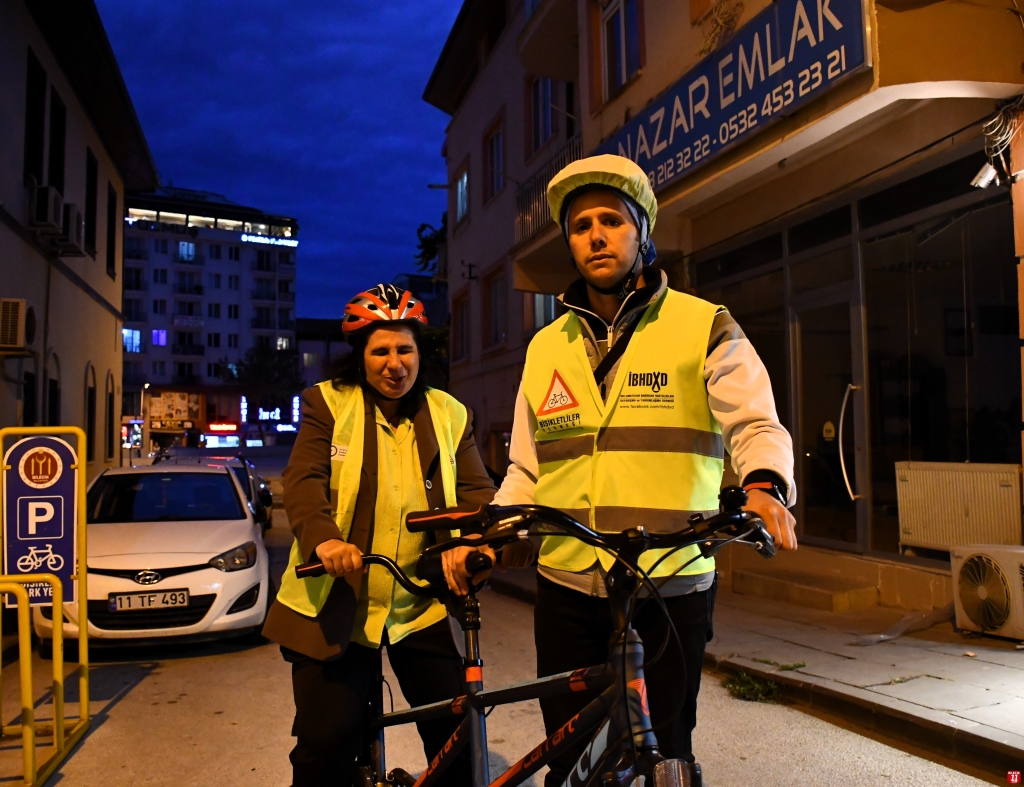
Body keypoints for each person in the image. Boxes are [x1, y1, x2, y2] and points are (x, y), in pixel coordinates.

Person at [490, 155, 798, 784]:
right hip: (568, 586)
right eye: (580, 226)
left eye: (611, 220)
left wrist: (764, 485)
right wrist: (494, 528)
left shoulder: (702, 324)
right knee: (572, 756)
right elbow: (528, 466)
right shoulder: (546, 347)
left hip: (669, 582)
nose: (596, 236)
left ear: (642, 232)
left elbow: (756, 424)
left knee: (664, 753)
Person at [263, 284, 503, 787]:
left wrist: (480, 537)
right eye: (381, 351)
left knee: (458, 734)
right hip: (336, 603)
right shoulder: (329, 403)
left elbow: (478, 490)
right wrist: (324, 539)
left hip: (419, 603)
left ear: (419, 352)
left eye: (404, 349)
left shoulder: (448, 412)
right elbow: (304, 479)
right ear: (361, 355)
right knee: (327, 741)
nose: (394, 364)